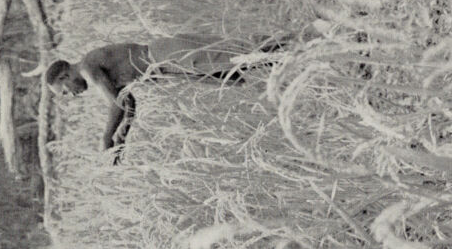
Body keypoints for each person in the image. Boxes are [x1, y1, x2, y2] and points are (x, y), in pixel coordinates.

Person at [45, 33, 289, 159]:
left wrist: (106, 139)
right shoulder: (93, 71)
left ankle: (295, 43)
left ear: (65, 75)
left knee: (237, 57)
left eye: (65, 91)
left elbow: (116, 104)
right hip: (168, 64)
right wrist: (122, 137)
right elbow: (128, 103)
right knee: (233, 71)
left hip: (166, 56)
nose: (72, 95)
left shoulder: (88, 68)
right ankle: (294, 57)